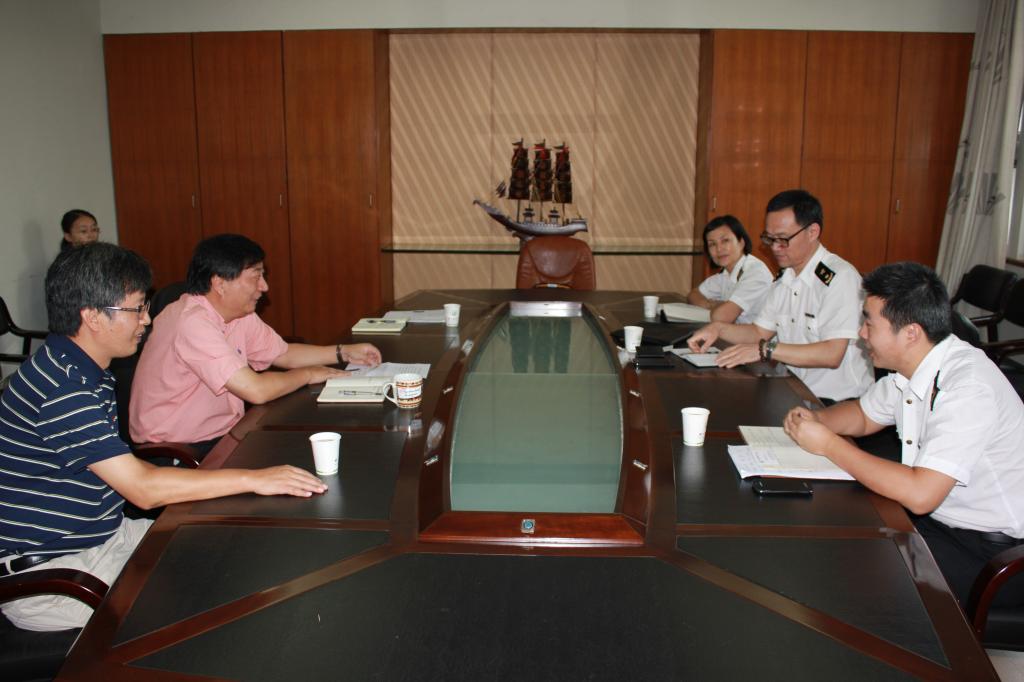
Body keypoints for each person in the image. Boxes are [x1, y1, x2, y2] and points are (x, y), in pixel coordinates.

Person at [0, 243, 329, 632]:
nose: (146, 319)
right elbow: (142, 489)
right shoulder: (63, 390)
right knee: (207, 608)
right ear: (93, 317)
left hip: (106, 537)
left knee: (229, 551)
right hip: (56, 573)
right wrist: (257, 478)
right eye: (136, 309)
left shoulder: (77, 367)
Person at [783, 262, 1023, 607]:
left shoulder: (968, 387)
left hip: (992, 554)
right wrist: (816, 419)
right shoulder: (915, 367)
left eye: (869, 323)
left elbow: (921, 493)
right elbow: (862, 415)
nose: (861, 333)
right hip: (941, 525)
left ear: (910, 333)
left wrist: (829, 445)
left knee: (851, 581)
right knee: (835, 536)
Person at [130, 234, 382, 452]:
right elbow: (256, 390)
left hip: (224, 433)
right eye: (256, 276)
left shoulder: (237, 313)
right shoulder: (191, 322)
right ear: (220, 283)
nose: (264, 286)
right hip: (178, 450)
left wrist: (343, 352)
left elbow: (283, 354)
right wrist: (309, 374)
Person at [688, 189, 873, 403]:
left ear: (812, 232)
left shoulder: (839, 278)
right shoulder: (785, 278)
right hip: (796, 392)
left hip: (837, 401)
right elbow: (759, 332)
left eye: (783, 239)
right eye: (770, 238)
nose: (775, 248)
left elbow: (832, 354)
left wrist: (766, 350)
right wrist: (718, 329)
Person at [687, 215, 773, 323]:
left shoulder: (755, 273)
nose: (719, 249)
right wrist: (711, 305)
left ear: (741, 243)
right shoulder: (726, 273)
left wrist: (718, 306)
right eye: (712, 244)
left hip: (757, 334)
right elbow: (693, 294)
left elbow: (722, 317)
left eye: (725, 240)